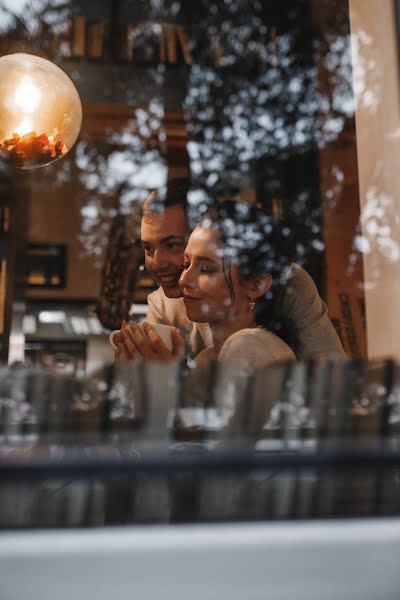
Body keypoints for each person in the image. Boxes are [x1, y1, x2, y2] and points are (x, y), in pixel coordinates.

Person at [115, 178, 345, 361]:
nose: (156, 262)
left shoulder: (287, 284)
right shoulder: (162, 306)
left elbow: (331, 378)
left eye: (172, 244)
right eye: (147, 247)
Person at [178, 201, 295, 367]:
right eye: (185, 264)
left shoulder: (252, 348)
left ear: (257, 285)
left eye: (206, 269)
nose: (183, 280)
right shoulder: (205, 358)